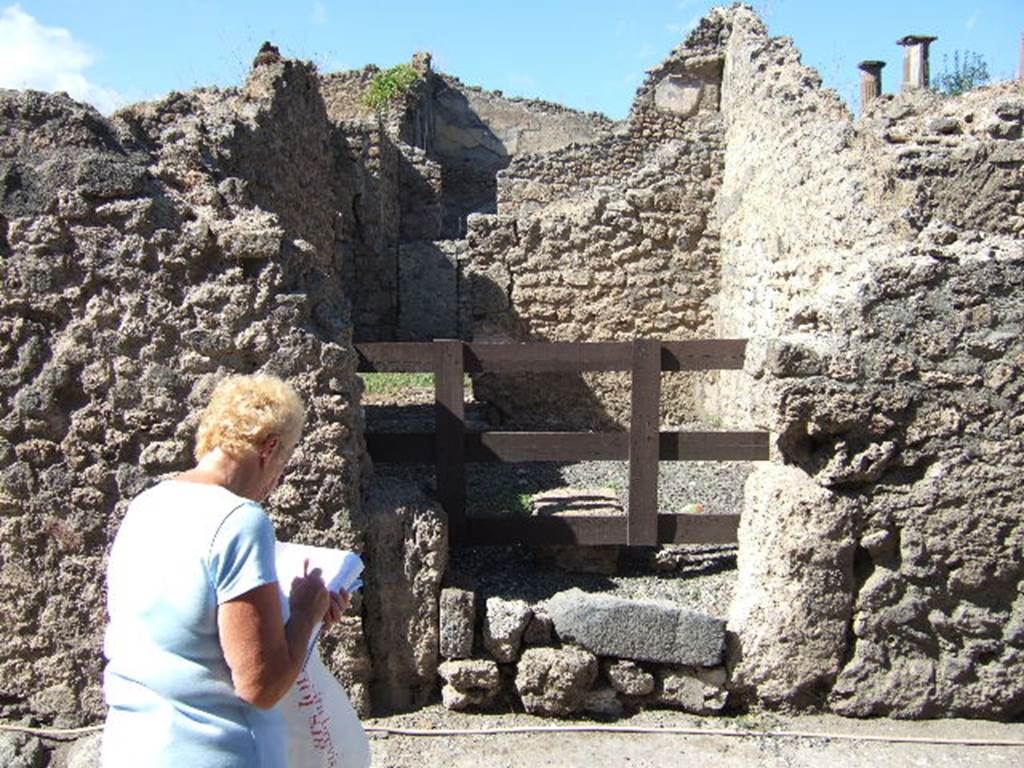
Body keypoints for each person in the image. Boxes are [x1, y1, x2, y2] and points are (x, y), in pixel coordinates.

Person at [102, 374, 348, 768]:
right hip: (212, 751)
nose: (279, 477)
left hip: (131, 746)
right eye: (284, 461)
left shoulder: (146, 505)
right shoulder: (240, 521)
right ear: (269, 448)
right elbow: (261, 686)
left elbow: (188, 632)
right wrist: (304, 616)